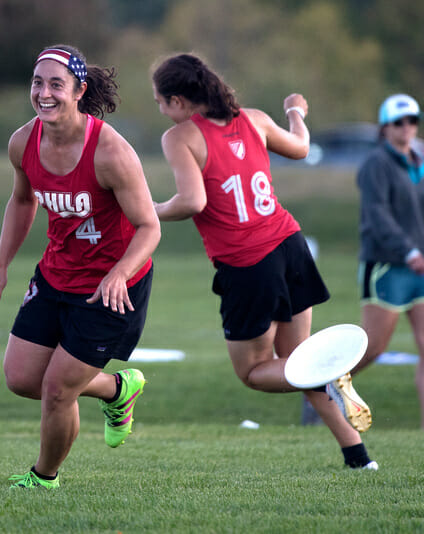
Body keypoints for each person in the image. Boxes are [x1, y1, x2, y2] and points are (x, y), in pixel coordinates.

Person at [151, 53, 377, 470]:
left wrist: (148, 208)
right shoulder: (253, 118)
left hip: (248, 264)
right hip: (290, 245)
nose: (162, 112)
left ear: (180, 101)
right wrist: (294, 111)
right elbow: (302, 146)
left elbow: (192, 201)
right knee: (299, 362)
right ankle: (359, 458)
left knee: (255, 372)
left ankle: (328, 374)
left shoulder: (181, 137)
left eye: (162, 103)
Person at [0, 44, 161, 489]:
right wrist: (0, 267)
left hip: (110, 286)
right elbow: (23, 200)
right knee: (22, 378)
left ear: (79, 91)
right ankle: (117, 390)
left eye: (56, 84)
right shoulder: (23, 143)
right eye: (37, 83)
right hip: (56, 273)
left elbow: (149, 226)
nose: (44, 93)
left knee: (58, 390)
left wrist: (119, 272)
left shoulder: (111, 152)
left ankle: (44, 478)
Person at [351, 94, 424, 431]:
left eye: (412, 121)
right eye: (398, 122)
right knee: (374, 347)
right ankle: (321, 391)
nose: (407, 128)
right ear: (385, 127)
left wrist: (423, 253)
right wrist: (407, 250)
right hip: (388, 267)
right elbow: (377, 216)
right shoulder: (376, 164)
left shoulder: (421, 163)